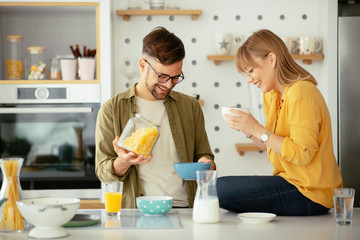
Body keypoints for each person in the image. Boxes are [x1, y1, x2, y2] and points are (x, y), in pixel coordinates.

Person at [217, 29, 342, 216]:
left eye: (251, 70)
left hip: (311, 193)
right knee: (218, 190)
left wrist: (257, 128)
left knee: (219, 189)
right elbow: (273, 145)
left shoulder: (302, 92)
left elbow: (302, 154)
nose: (249, 80)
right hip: (291, 183)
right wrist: (248, 130)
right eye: (246, 74)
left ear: (272, 60)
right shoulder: (273, 96)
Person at [95, 27, 215, 208]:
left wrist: (207, 164)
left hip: (184, 208)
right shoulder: (112, 109)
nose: (168, 84)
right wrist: (123, 162)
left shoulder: (190, 107)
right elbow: (102, 171)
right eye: (162, 76)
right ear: (142, 65)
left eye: (175, 77)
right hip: (137, 210)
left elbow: (205, 155)